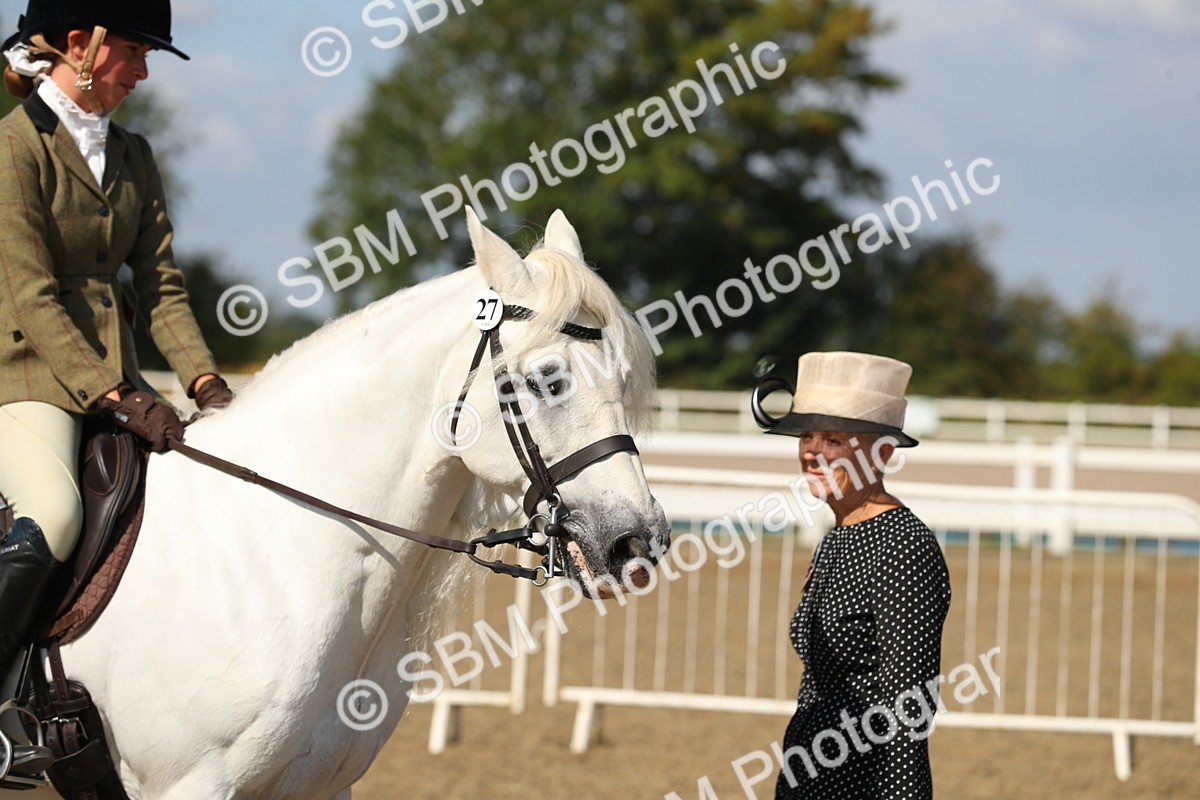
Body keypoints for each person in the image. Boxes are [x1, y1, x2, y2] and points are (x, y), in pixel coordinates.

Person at [0, 0, 233, 772]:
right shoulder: (12, 147)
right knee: (57, 512)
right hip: (27, 375)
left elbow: (162, 285)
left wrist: (205, 384)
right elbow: (32, 296)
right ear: (80, 44)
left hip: (119, 379)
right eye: (133, 52)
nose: (141, 71)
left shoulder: (133, 153)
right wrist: (116, 395)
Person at [753, 351, 951, 800]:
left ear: (881, 453)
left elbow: (910, 705)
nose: (812, 452)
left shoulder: (903, 546)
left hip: (866, 780)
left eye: (834, 439)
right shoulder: (840, 533)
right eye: (807, 435)